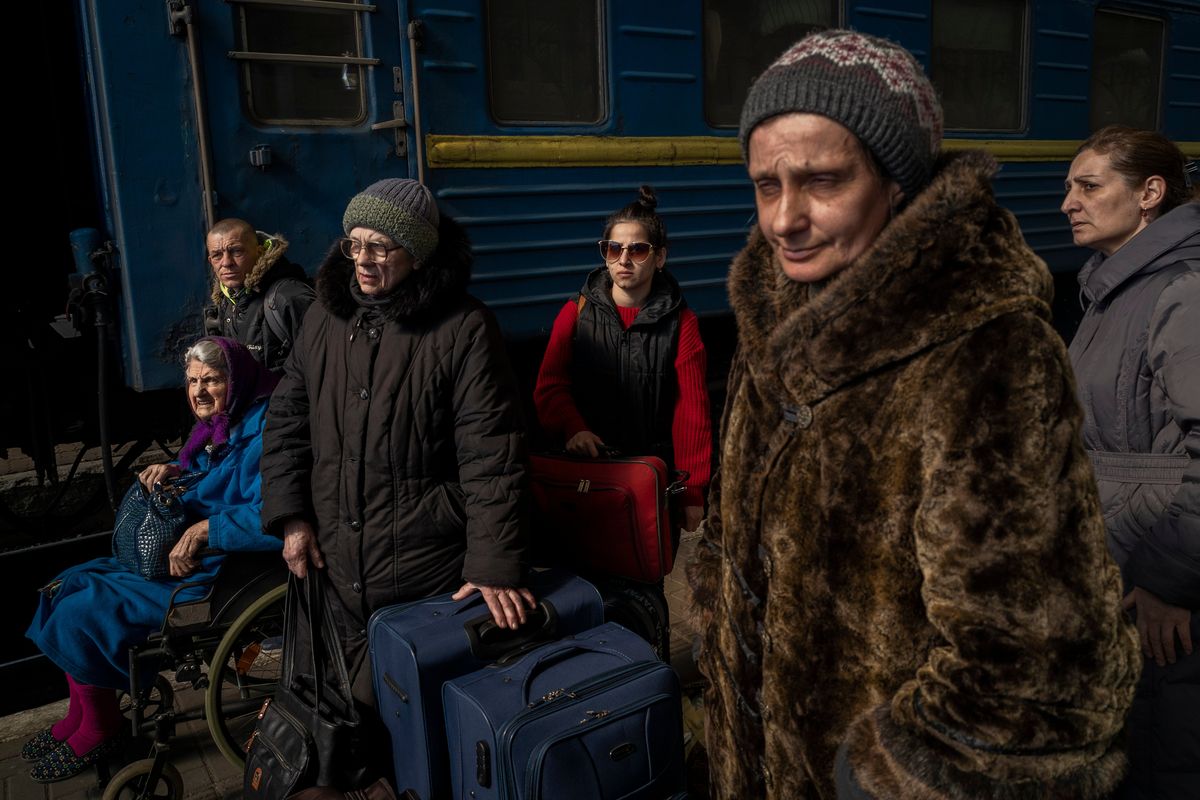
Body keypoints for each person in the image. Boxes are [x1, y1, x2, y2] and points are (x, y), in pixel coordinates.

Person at [686, 30, 1140, 799]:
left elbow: (1037, 665)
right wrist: (720, 630)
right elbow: (736, 530)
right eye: (767, 185)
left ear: (896, 182)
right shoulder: (772, 316)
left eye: (823, 180)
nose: (784, 219)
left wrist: (882, 777)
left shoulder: (984, 349)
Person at [260, 178, 534, 715]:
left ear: (417, 253)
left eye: (380, 246)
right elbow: (287, 421)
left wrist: (494, 563)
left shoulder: (464, 328)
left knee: (405, 715)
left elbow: (493, 453)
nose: (362, 259)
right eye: (353, 243)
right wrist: (291, 517)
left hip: (423, 563)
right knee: (336, 713)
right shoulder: (322, 317)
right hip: (334, 566)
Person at [23, 337, 280, 783]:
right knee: (67, 584)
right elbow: (212, 477)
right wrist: (176, 469)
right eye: (192, 381)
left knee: (84, 609)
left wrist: (204, 530)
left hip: (212, 571)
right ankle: (82, 716)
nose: (199, 391)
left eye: (212, 380)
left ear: (235, 382)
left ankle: (102, 727)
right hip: (184, 554)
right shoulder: (221, 425)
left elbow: (275, 515)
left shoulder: (266, 432)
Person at [1061, 126, 1199, 800]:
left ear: (1149, 194)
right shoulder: (1115, 289)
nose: (1068, 202)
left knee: (1163, 759)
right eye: (1068, 187)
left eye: (1089, 186)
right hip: (1121, 572)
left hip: (1161, 588)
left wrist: (1170, 579)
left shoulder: (1184, 289)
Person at [534, 186, 711, 533]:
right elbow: (550, 386)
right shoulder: (576, 311)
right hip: (586, 475)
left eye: (638, 249)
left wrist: (691, 493)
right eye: (614, 249)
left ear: (660, 257)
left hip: (646, 481)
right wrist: (574, 428)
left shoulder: (681, 323)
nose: (624, 260)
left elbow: (692, 412)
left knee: (643, 578)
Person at [203, 218, 315, 372]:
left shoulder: (287, 297)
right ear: (211, 261)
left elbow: (322, 368)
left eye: (236, 251)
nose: (226, 262)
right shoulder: (227, 301)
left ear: (260, 252)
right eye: (217, 255)